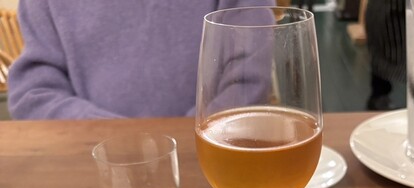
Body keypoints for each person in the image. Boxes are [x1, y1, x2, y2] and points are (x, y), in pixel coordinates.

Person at [8, 0, 274, 120]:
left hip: (213, 160)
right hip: (91, 167)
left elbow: (248, 76)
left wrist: (188, 134)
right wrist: (118, 138)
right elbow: (34, 93)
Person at [365, 0, 406, 110]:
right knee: (386, 56)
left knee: (382, 57)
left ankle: (378, 97)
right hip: (389, 14)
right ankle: (378, 98)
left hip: (385, 11)